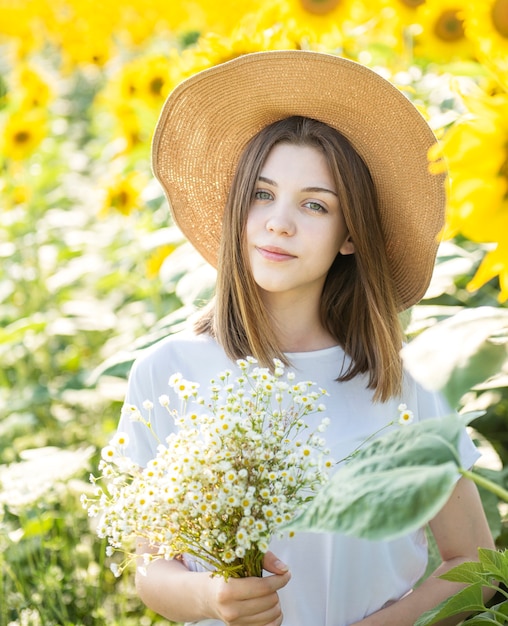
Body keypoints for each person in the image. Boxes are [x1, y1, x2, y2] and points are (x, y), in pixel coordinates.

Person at [118, 50, 495, 626]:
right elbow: (152, 569)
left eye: (315, 205)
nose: (279, 223)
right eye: (262, 195)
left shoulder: (403, 386)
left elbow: (475, 563)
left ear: (350, 235)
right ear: (236, 208)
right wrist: (212, 597)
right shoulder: (168, 373)